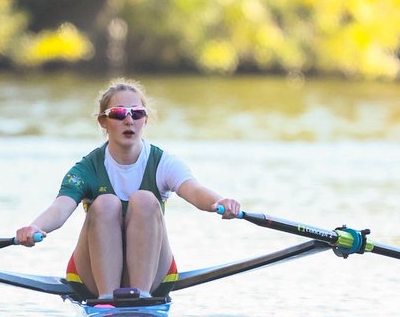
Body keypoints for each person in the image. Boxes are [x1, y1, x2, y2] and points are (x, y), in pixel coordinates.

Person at [15, 78, 241, 301]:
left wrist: (219, 202)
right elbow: (60, 208)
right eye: (119, 113)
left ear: (145, 120)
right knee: (105, 203)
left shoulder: (163, 163)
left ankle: (141, 298)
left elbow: (194, 190)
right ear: (103, 121)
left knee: (144, 200)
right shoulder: (86, 168)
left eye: (137, 113)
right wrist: (35, 227)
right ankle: (106, 299)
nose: (129, 120)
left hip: (153, 277)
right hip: (92, 279)